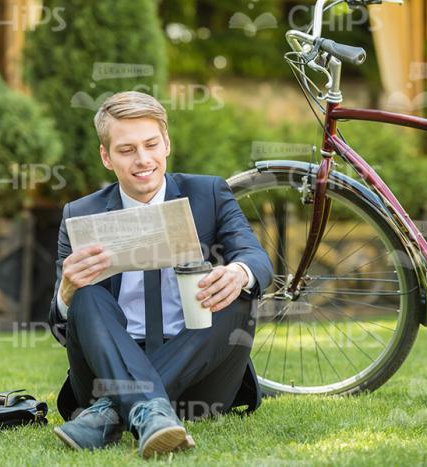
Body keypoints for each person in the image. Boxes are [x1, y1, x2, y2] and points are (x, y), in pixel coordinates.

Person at [47, 91, 273, 458]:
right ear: (106, 156)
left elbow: (256, 258)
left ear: (166, 143)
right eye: (126, 150)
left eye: (151, 144)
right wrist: (65, 293)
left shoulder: (209, 193)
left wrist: (239, 272)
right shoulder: (79, 214)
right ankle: (145, 409)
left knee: (237, 294)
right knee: (86, 295)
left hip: (201, 378)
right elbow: (61, 332)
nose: (143, 160)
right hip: (108, 368)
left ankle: (110, 413)